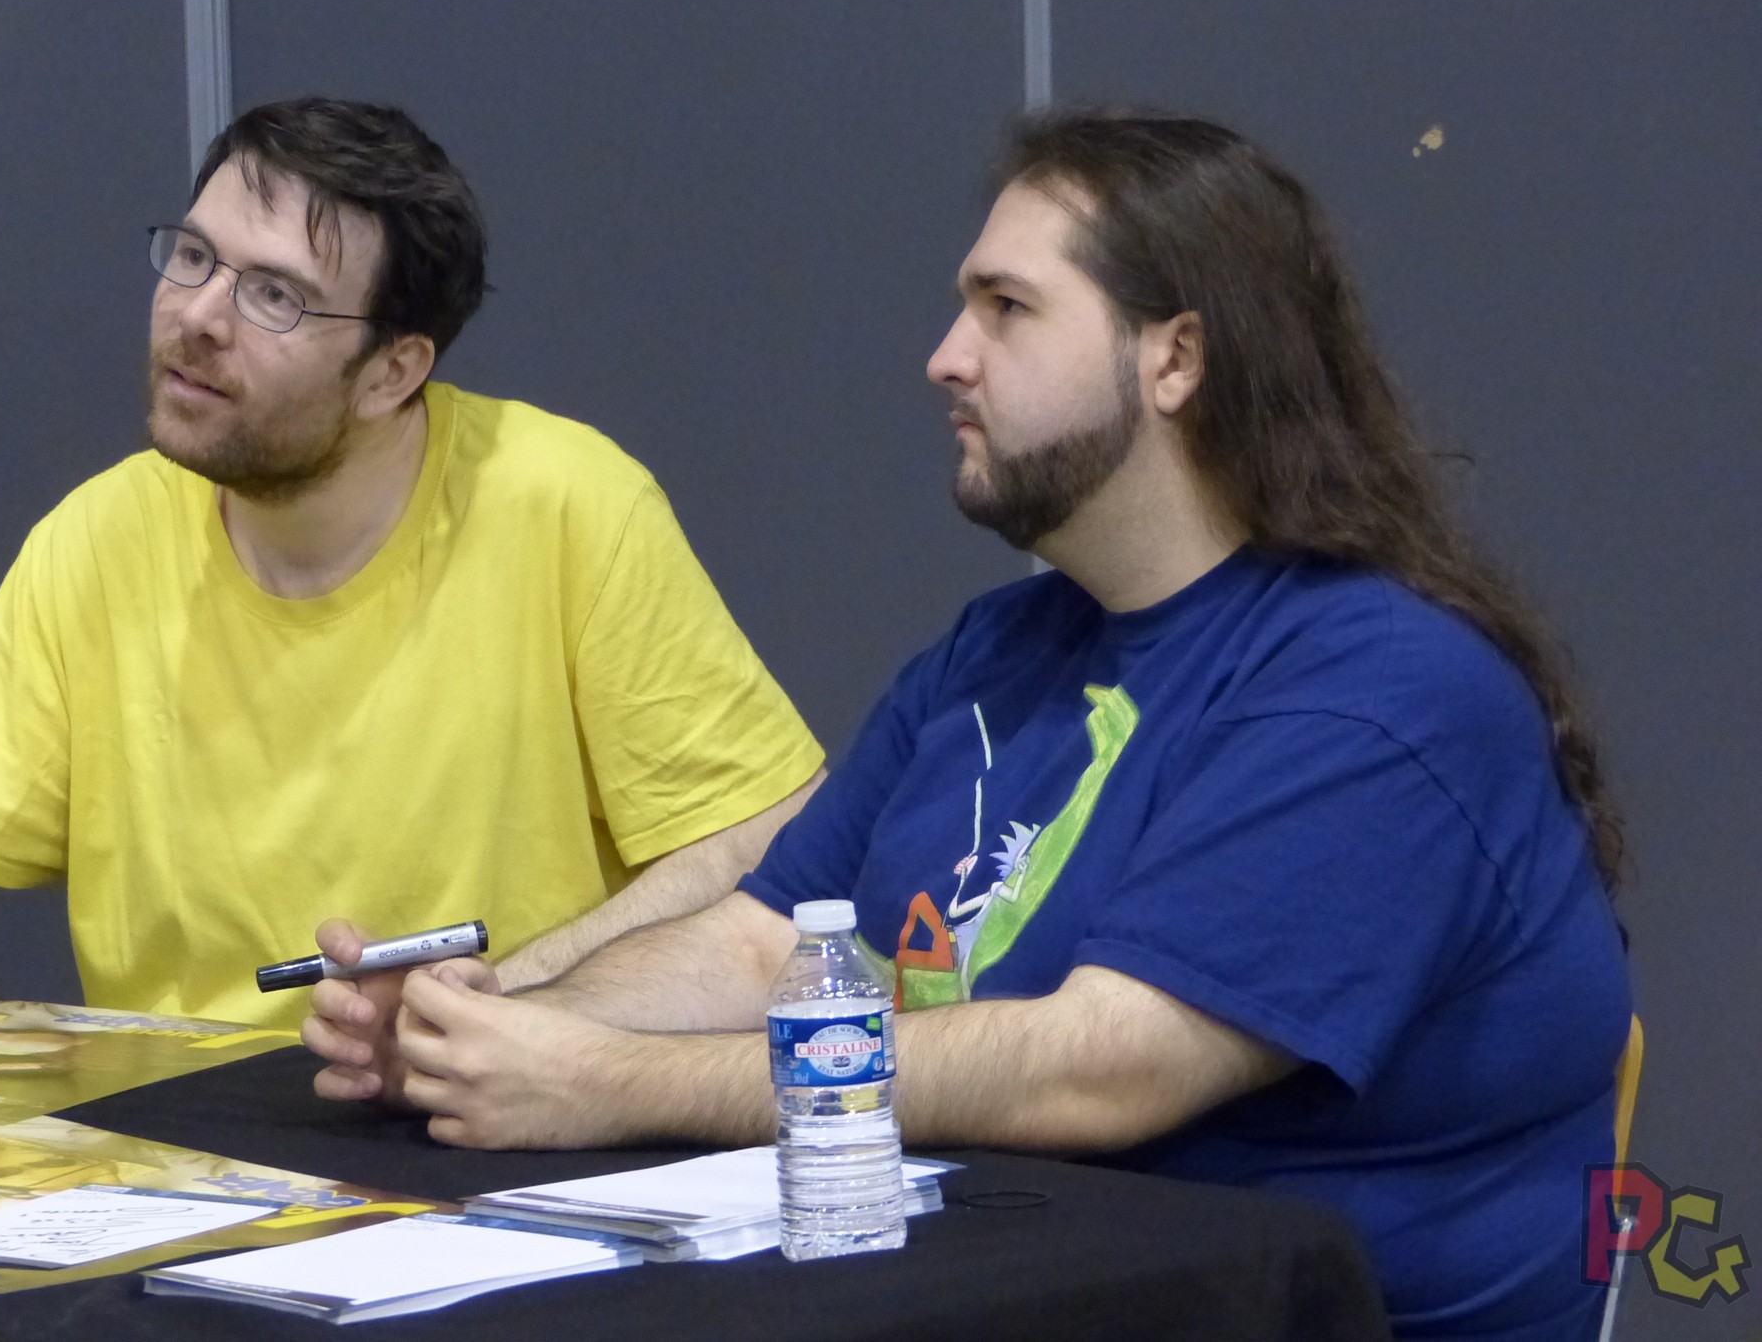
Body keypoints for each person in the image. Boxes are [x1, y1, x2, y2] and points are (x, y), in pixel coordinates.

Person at [304, 109, 1632, 1340]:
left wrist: (605, 1080)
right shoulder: (998, 649)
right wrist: (495, 1022)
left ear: (1173, 358)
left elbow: (1106, 1066)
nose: (946, 356)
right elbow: (764, 944)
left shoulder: (1381, 688)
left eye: (1007, 308)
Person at [0, 97, 823, 1034]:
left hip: (483, 1113)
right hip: (170, 1141)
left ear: (392, 371)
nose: (198, 317)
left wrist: (513, 997)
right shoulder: (95, 541)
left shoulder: (568, 506)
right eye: (192, 256)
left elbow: (765, 841)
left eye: (274, 296)